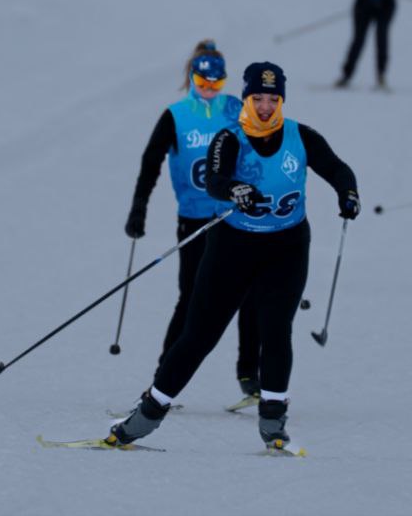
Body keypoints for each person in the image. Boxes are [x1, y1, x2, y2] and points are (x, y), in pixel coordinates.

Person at [109, 62, 360, 451]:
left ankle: (274, 420)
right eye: (257, 98)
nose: (264, 106)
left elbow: (338, 168)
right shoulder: (229, 138)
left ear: (282, 100)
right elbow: (215, 179)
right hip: (233, 248)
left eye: (272, 99)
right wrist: (234, 188)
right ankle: (147, 414)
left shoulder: (300, 136)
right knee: (200, 335)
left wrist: (348, 193)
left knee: (276, 329)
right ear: (245, 98)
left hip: (287, 248)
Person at [124, 40, 261, 400]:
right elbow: (150, 162)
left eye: (217, 83)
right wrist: (139, 206)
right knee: (192, 299)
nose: (210, 89)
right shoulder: (175, 115)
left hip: (234, 218)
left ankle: (250, 376)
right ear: (191, 78)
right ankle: (161, 379)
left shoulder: (235, 108)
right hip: (195, 220)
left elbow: (260, 150)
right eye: (203, 83)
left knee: (250, 295)